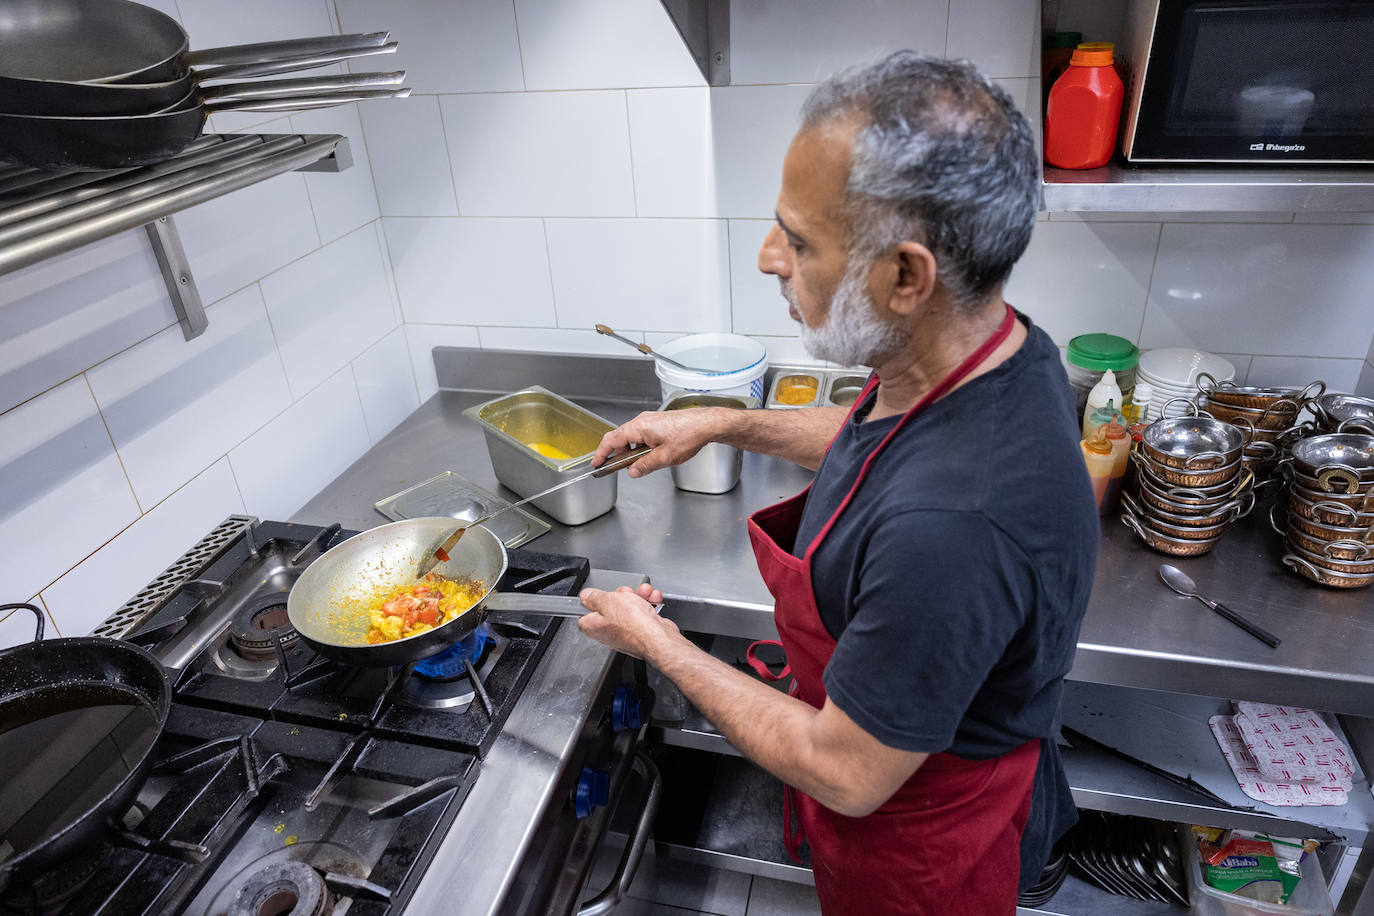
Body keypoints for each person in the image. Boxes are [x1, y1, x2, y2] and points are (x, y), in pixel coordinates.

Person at [577, 52, 1099, 916]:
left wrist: (657, 644)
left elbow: (846, 771)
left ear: (905, 277)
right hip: (899, 763)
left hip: (917, 842)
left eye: (799, 239)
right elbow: (891, 441)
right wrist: (724, 421)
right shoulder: (986, 349)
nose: (767, 257)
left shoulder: (956, 527)